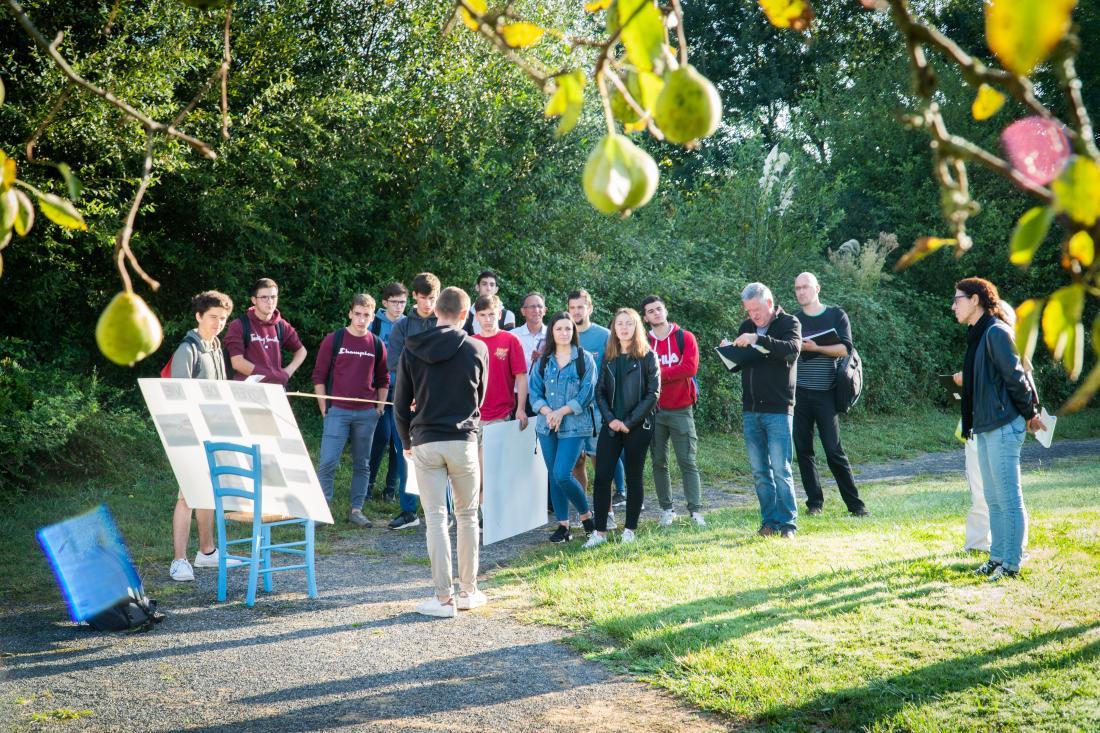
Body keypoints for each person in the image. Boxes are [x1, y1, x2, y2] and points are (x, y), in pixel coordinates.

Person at [394, 286, 488, 617]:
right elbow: (480, 399)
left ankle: (443, 599)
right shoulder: (478, 348)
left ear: (436, 311)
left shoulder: (411, 347)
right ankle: (468, 591)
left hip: (425, 440)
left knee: (435, 519)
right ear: (465, 315)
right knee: (467, 516)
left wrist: (406, 441)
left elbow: (400, 403)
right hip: (462, 439)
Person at [951, 278, 1043, 581]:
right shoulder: (978, 335)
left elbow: (1016, 377)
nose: (954, 306)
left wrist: (1030, 414)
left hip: (1005, 424)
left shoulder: (996, 332)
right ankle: (998, 557)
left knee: (1008, 496)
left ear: (975, 299)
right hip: (987, 424)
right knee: (993, 497)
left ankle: (1012, 564)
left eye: (958, 299)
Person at [168, 290, 241, 581]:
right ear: (198, 316)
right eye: (213, 317)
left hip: (214, 431)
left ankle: (207, 553)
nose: (218, 323)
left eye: (223, 319)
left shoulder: (216, 346)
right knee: (187, 496)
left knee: (208, 492)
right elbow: (176, 397)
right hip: (188, 434)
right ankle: (178, 561)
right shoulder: (188, 349)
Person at [726, 282, 801, 538]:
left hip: (779, 408)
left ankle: (788, 524)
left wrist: (758, 339)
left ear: (769, 303)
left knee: (781, 469)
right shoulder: (746, 327)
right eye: (748, 311)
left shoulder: (789, 323)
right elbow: (738, 366)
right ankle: (769, 522)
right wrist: (729, 351)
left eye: (756, 310)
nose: (753, 316)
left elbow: (792, 350)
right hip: (751, 409)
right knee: (760, 472)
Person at [791, 272, 868, 517]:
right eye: (797, 288)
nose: (801, 292)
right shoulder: (794, 320)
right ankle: (814, 503)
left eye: (805, 287)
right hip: (800, 393)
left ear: (817, 288)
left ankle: (856, 506)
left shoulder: (836, 315)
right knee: (803, 450)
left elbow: (845, 349)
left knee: (834, 451)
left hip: (826, 394)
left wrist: (817, 348)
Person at [311, 294, 390, 527]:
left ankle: (356, 510)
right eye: (357, 314)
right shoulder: (334, 339)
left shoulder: (376, 343)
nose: (361, 319)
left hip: (367, 413)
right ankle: (323, 510)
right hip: (338, 411)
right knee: (327, 461)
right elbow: (319, 374)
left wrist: (379, 407)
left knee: (362, 463)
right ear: (350, 313)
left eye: (366, 315)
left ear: (372, 317)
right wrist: (324, 406)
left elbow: (384, 378)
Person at [585, 308, 660, 548]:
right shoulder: (609, 357)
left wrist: (628, 422)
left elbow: (653, 394)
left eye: (629, 323)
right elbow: (600, 392)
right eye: (620, 324)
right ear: (614, 328)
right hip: (611, 426)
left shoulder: (648, 356)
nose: (624, 328)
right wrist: (611, 420)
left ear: (636, 327)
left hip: (638, 427)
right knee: (602, 477)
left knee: (634, 477)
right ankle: (599, 532)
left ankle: (630, 529)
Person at [529, 312, 598, 543]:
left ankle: (587, 517)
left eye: (568, 329)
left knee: (562, 473)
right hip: (547, 426)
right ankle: (563, 526)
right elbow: (535, 393)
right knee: (554, 476)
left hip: (575, 426)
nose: (564, 333)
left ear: (573, 332)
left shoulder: (584, 359)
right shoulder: (543, 361)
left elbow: (587, 394)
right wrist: (549, 412)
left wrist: (561, 412)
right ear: (552, 332)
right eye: (559, 329)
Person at [641, 295, 704, 527]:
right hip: (653, 411)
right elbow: (639, 373)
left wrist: (655, 375)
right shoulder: (643, 342)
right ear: (645, 317)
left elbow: (689, 368)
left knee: (688, 461)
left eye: (659, 309)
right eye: (650, 311)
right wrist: (660, 375)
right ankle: (667, 510)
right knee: (658, 462)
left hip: (681, 410)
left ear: (665, 311)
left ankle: (696, 512)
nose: (656, 313)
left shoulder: (684, 337)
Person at [386, 273, 440, 530]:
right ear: (414, 297)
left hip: (438, 403)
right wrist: (414, 392)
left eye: (432, 298)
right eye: (423, 298)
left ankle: (442, 511)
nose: (428, 303)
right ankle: (409, 512)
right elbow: (394, 364)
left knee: (440, 458)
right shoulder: (402, 326)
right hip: (406, 402)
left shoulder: (445, 323)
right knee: (406, 455)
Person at [568, 289, 626, 519]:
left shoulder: (604, 336)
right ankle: (585, 516)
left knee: (600, 462)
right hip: (571, 412)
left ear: (590, 308)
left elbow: (615, 371)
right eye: (572, 307)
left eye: (580, 307)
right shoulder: (563, 333)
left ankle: (607, 511)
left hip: (598, 411)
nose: (576, 312)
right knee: (576, 463)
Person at [223, 278, 307, 388]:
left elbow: (301, 351)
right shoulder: (239, 325)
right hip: (246, 390)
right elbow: (237, 362)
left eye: (273, 297)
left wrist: (286, 373)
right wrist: (268, 376)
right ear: (254, 300)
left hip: (274, 391)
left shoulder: (281, 325)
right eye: (264, 297)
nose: (270, 301)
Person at [367, 282, 409, 502]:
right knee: (381, 436)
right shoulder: (374, 324)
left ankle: (391, 488)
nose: (399, 306)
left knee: (398, 440)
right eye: (394, 302)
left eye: (403, 302)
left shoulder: (409, 324)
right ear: (385, 302)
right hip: (378, 389)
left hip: (403, 390)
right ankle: (369, 483)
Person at [463, 270, 516, 334]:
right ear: (477, 287)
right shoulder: (466, 315)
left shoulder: (508, 315)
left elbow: (509, 342)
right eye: (484, 284)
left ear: (496, 289)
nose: (488, 288)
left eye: (492, 285)